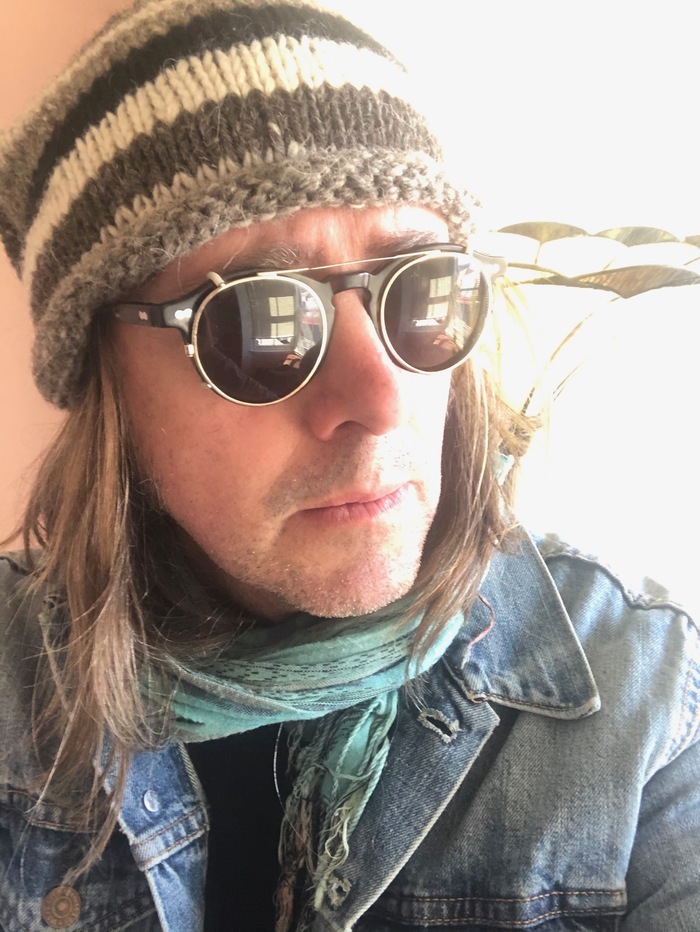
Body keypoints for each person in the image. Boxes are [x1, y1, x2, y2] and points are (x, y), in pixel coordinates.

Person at [0, 2, 697, 930]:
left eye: (424, 288)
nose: (381, 397)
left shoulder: (642, 693)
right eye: (258, 321)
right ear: (107, 383)